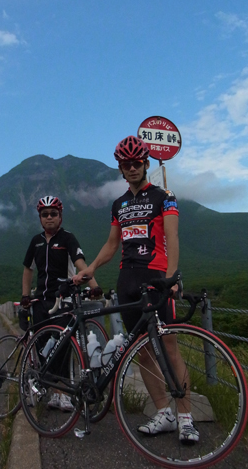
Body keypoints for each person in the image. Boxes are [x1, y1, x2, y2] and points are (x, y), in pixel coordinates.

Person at [74, 135, 199, 443]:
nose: (132, 168)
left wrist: (171, 278)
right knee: (141, 351)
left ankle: (185, 417)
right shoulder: (119, 204)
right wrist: (90, 269)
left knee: (169, 348)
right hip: (126, 281)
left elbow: (172, 238)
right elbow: (112, 244)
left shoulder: (164, 196)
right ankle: (163, 413)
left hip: (155, 278)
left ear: (145, 164)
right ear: (121, 168)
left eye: (137, 163)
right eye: (126, 164)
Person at [21, 195, 99, 412]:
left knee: (61, 347)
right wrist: (25, 295)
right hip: (40, 302)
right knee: (43, 347)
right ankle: (54, 393)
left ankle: (64, 393)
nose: (49, 218)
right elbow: (28, 268)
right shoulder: (36, 241)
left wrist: (94, 285)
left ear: (60, 216)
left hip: (62, 301)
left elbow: (80, 263)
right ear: (40, 218)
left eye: (53, 214)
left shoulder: (67, 239)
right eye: (44, 215)